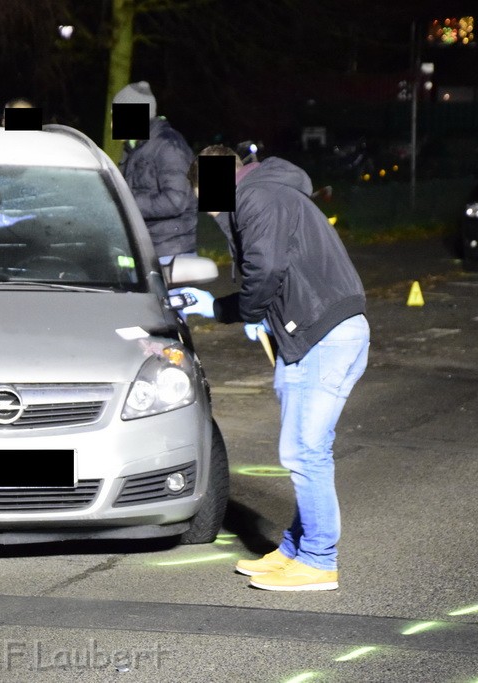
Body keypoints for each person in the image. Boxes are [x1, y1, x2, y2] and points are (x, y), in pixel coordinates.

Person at [189, 145, 370, 591]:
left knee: (304, 451)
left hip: (321, 335)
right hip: (312, 332)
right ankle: (295, 550)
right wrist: (221, 308)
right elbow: (273, 274)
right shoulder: (268, 192)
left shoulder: (256, 197)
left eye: (201, 194)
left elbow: (264, 269)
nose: (202, 207)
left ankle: (319, 560)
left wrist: (249, 312)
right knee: (307, 449)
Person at [112, 81, 198, 263]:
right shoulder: (134, 149)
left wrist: (126, 203)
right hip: (146, 249)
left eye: (115, 116)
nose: (112, 125)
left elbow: (175, 201)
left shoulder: (169, 146)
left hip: (169, 253)